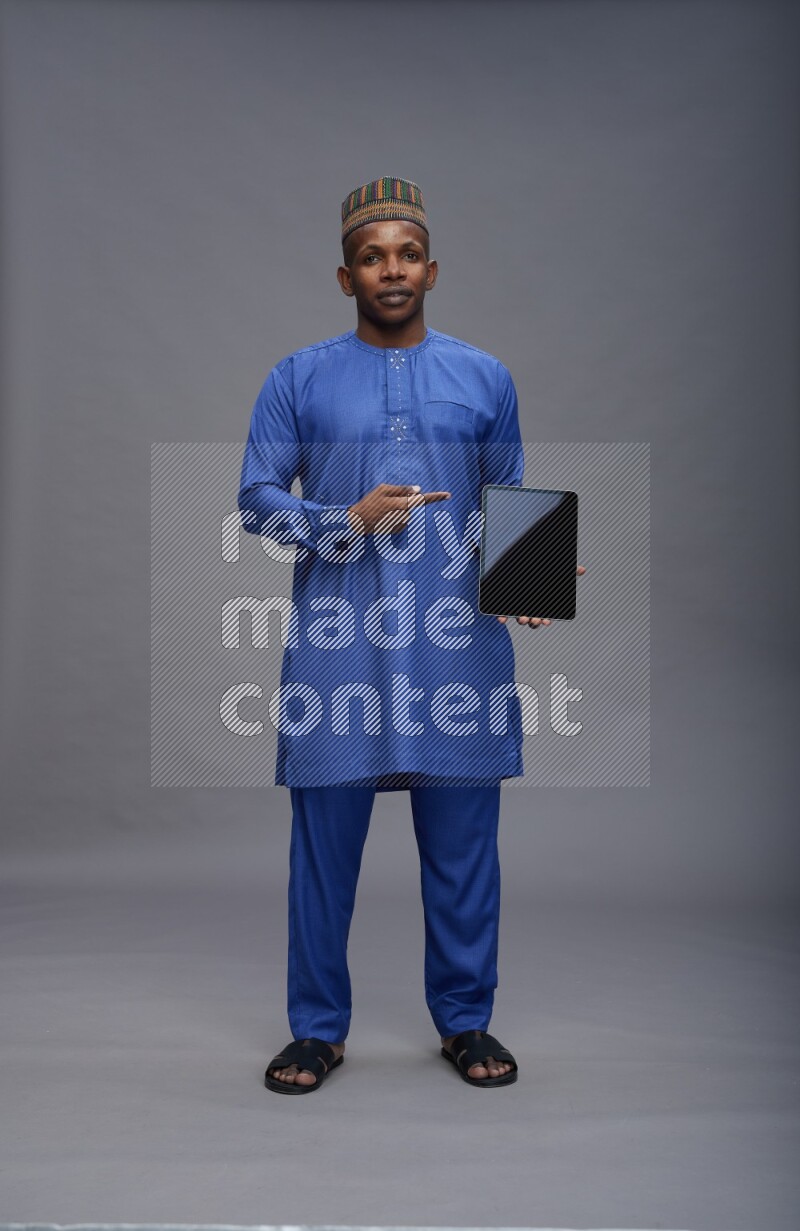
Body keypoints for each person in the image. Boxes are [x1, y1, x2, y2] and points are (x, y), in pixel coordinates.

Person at [237, 177, 585, 1093]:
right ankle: (316, 1029)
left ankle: (466, 1020)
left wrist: (528, 577)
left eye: (405, 253)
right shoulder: (299, 377)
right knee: (322, 847)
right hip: (338, 644)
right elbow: (257, 503)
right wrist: (342, 518)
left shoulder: (484, 376)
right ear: (345, 276)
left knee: (466, 848)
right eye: (370, 255)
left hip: (453, 647)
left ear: (431, 267)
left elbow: (508, 496)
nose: (390, 268)